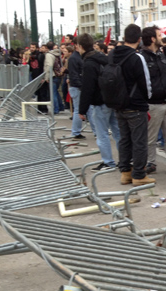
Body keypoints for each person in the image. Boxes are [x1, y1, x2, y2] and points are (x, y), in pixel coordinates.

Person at [112, 24, 155, 186]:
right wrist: (147, 99)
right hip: (136, 105)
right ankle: (138, 175)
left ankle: (125, 172)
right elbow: (146, 82)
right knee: (139, 141)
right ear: (139, 39)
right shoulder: (137, 57)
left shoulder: (113, 54)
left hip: (118, 104)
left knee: (124, 139)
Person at [78, 33, 121, 172]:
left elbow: (87, 87)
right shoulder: (105, 59)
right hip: (112, 100)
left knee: (102, 133)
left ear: (80, 46)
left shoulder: (89, 63)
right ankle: (125, 159)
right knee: (118, 132)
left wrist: (82, 109)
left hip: (99, 102)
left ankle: (108, 162)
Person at [141, 26, 166, 177]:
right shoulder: (143, 57)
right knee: (151, 137)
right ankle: (151, 163)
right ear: (152, 39)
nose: (161, 37)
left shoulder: (161, 55)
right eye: (159, 35)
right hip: (152, 104)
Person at [68, 38, 85, 140]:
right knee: (78, 110)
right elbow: (74, 74)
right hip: (77, 87)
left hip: (77, 86)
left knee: (81, 110)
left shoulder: (76, 57)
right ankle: (75, 132)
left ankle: (76, 131)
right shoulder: (74, 58)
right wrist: (81, 86)